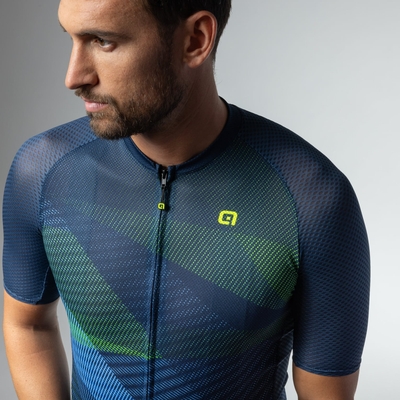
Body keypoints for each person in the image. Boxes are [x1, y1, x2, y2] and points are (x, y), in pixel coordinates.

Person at [2, 0, 370, 399]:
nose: (74, 76)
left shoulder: (311, 199)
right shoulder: (43, 171)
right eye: (72, 38)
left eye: (104, 41)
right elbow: (28, 323)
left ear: (195, 39)